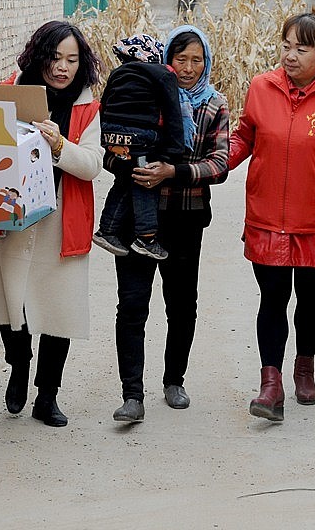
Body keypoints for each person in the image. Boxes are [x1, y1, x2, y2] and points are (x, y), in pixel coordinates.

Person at [228, 10, 315, 422]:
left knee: (309, 299)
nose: (290, 56)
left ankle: (304, 367)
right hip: (266, 215)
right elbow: (243, 137)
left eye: (301, 49)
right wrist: (212, 165)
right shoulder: (261, 87)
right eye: (286, 46)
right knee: (272, 298)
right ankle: (270, 385)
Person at [0, 20, 104, 427]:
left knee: (57, 312)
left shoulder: (87, 107)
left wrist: (60, 145)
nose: (63, 68)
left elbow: (92, 165)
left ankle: (47, 396)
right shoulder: (8, 95)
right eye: (55, 57)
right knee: (12, 304)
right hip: (12, 217)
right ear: (38, 56)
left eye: (72, 60)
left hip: (61, 220)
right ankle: (19, 365)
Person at [109, 25, 229, 422]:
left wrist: (171, 172)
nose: (189, 68)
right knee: (132, 304)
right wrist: (128, 165)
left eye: (197, 60)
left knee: (181, 304)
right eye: (181, 59)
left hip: (184, 219)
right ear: (167, 60)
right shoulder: (145, 94)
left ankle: (174, 380)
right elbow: (111, 146)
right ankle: (132, 395)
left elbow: (219, 164)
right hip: (135, 217)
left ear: (206, 62)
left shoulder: (214, 105)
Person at [93, 34, 185, 260]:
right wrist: (173, 152)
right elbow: (173, 114)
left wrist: (104, 140)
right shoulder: (164, 74)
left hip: (113, 139)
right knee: (145, 179)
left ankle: (107, 231)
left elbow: (105, 105)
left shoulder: (117, 73)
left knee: (125, 178)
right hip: (141, 140)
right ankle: (146, 238)